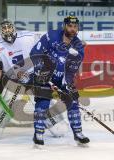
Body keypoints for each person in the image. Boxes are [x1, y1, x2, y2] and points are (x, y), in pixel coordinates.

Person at [30, 16, 90, 146]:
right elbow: (35, 52)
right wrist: (41, 72)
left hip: (61, 78)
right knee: (43, 101)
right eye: (70, 26)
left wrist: (66, 85)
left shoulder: (78, 49)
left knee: (73, 101)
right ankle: (38, 134)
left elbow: (70, 72)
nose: (73, 29)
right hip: (43, 73)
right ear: (64, 26)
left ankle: (78, 133)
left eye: (75, 27)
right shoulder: (51, 35)